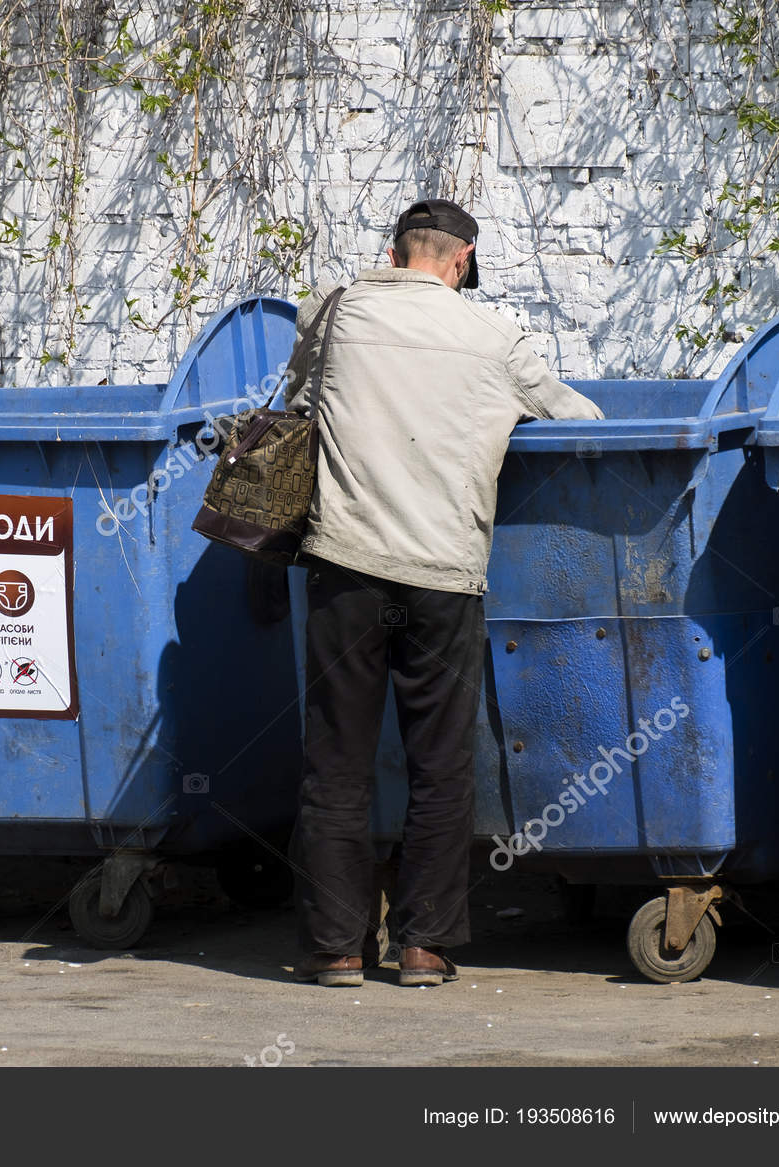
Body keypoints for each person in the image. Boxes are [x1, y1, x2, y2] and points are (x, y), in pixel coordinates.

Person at [284, 198, 603, 988]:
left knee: (337, 763)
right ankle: (423, 945)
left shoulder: (333, 311)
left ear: (396, 253)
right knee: (440, 764)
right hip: (442, 575)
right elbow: (581, 421)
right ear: (461, 262)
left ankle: (335, 948)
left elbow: (296, 406)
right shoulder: (495, 338)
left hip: (345, 567)